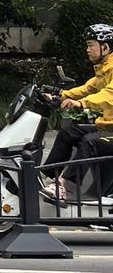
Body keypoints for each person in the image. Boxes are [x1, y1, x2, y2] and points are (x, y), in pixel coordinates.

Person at [42, 23, 113, 203]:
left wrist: (81, 104)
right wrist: (60, 96)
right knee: (68, 133)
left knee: (90, 142)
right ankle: (48, 178)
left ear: (105, 47)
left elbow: (108, 95)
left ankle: (66, 185)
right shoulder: (104, 69)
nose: (87, 49)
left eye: (90, 45)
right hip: (107, 126)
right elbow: (87, 88)